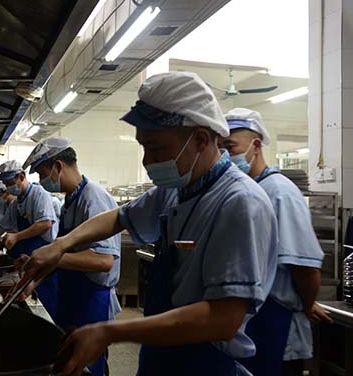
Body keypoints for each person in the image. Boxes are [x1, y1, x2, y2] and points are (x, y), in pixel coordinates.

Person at [18, 71, 279, 376]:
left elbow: (224, 318)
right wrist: (60, 246)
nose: (146, 160)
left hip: (205, 362)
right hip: (161, 349)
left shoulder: (239, 203)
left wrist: (111, 331)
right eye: (143, 147)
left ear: (200, 139)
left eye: (156, 148)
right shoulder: (174, 190)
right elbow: (119, 217)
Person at [222, 108, 331, 376]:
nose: (224, 155)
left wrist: (306, 304)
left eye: (230, 147)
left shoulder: (280, 192)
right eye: (220, 148)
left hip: (273, 326)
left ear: (256, 145)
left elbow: (305, 269)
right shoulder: (240, 190)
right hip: (244, 323)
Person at [23, 136, 122, 376]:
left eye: (42, 173)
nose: (41, 181)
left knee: (87, 367)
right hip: (71, 298)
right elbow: (62, 252)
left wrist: (53, 257)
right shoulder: (70, 201)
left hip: (91, 301)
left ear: (58, 166)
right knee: (69, 364)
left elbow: (104, 261)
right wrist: (33, 280)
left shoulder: (93, 198)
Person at [0, 159, 59, 319]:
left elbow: (45, 224)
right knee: (25, 296)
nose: (8, 187)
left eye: (10, 183)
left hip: (44, 259)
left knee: (45, 303)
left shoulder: (39, 194)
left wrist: (17, 236)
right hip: (26, 257)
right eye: (6, 184)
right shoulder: (16, 204)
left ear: (22, 177)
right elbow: (0, 228)